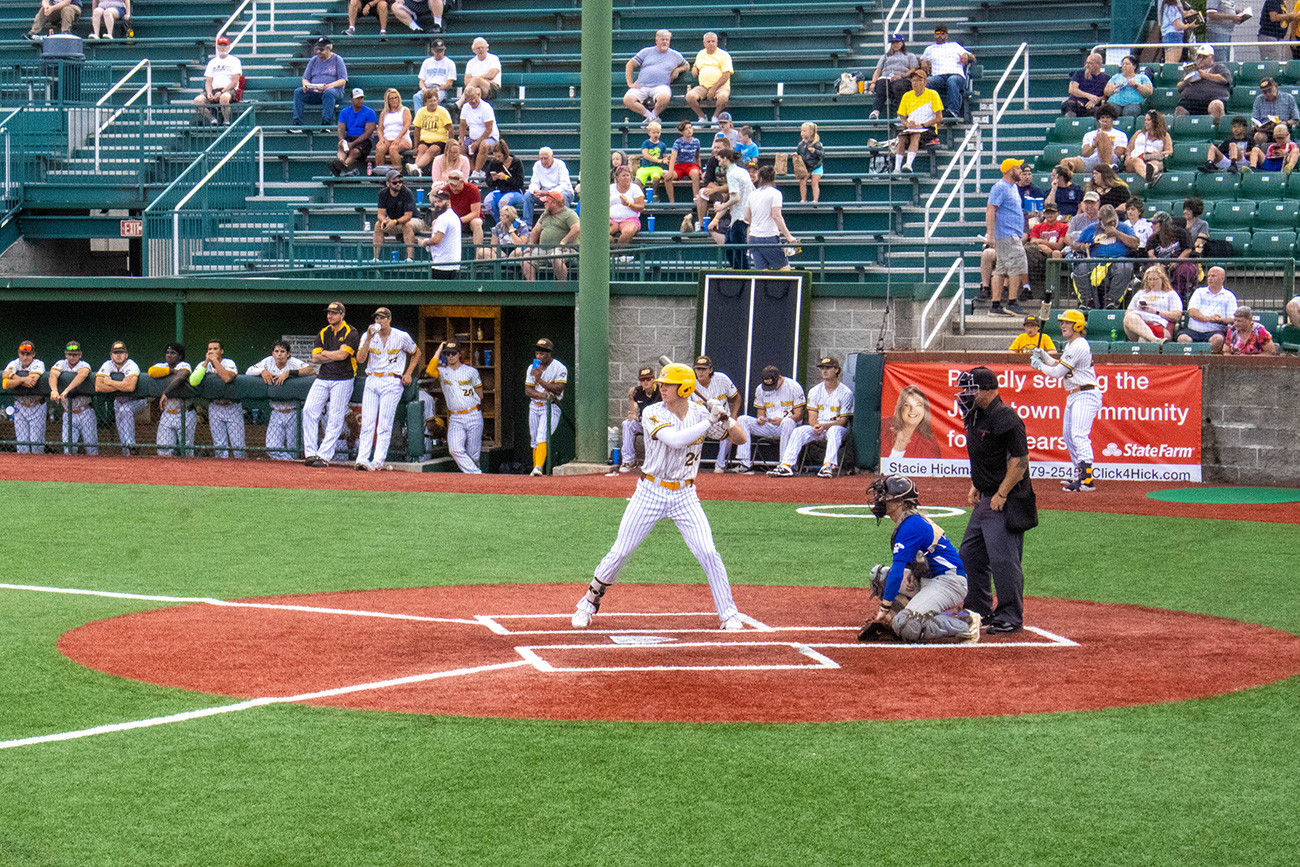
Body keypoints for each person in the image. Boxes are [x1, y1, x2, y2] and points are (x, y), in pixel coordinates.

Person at [571, 363, 748, 630]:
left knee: (709, 552)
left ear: (685, 388)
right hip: (650, 491)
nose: (661, 387)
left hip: (686, 495)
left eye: (668, 384)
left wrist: (725, 416)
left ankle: (729, 613)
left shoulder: (700, 412)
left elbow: (741, 438)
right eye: (662, 384)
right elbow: (675, 440)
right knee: (621, 551)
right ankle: (587, 602)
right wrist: (708, 422)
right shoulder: (652, 411)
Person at [860, 475, 981, 644]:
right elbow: (921, 558)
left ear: (900, 502)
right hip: (929, 578)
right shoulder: (909, 521)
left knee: (905, 625)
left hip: (949, 582)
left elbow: (897, 571)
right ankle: (919, 613)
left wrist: (885, 609)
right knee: (879, 576)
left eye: (885, 496)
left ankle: (964, 622)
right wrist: (914, 573)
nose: (880, 499)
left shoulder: (912, 525)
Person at [954, 366, 1030, 634]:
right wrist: (977, 484)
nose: (965, 394)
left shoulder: (1005, 417)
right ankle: (979, 608)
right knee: (970, 554)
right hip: (985, 496)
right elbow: (985, 455)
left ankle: (1010, 615)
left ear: (988, 390)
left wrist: (1001, 494)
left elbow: (1019, 461)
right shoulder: (975, 416)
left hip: (1004, 498)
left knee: (1004, 560)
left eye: (971, 389)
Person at [1031, 310, 1101, 493]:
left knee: (1079, 435)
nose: (1063, 326)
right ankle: (1079, 473)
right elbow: (1059, 364)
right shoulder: (1071, 345)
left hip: (1086, 392)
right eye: (1062, 322)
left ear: (1077, 325)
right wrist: (1045, 357)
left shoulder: (1079, 345)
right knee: (1068, 436)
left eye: (1068, 322)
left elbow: (1057, 373)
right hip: (1075, 393)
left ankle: (1087, 480)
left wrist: (1040, 366)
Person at [354, 307, 420, 471]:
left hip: (392, 379)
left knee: (384, 422)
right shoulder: (368, 335)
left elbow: (417, 352)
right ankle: (362, 459)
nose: (379, 321)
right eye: (377, 318)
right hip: (372, 378)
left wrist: (408, 373)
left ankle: (378, 461)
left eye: (382, 318)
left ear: (389, 319)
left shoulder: (401, 336)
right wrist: (368, 338)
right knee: (367, 421)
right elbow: (360, 359)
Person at [769, 355, 853, 478]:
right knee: (799, 431)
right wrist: (816, 426)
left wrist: (825, 426)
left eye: (828, 368)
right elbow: (812, 417)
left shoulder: (846, 392)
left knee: (834, 431)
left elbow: (843, 421)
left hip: (837, 428)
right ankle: (786, 465)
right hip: (819, 427)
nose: (824, 371)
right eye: (822, 368)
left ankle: (828, 466)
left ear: (836, 370)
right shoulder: (815, 391)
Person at [302, 301, 361, 468]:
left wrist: (325, 353)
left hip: (343, 378)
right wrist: (332, 354)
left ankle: (324, 456)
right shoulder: (323, 332)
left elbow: (343, 356)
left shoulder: (351, 332)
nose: (330, 316)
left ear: (342, 315)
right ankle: (311, 453)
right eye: (329, 313)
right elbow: (315, 358)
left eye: (334, 313)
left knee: (335, 416)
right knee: (309, 410)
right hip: (323, 377)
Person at [246, 341, 314, 460]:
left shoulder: (293, 362)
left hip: (293, 411)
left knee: (294, 450)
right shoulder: (268, 361)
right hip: (276, 411)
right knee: (272, 447)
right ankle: (292, 465)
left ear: (288, 354)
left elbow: (311, 371)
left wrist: (289, 372)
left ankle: (291, 466)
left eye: (282, 351)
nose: (279, 354)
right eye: (276, 351)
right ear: (272, 353)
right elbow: (248, 371)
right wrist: (262, 371)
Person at [425, 340, 484, 472]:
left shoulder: (471, 371)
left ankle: (474, 479)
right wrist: (440, 349)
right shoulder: (442, 372)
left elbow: (480, 395)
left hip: (472, 413)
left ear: (459, 354)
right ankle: (477, 475)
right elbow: (430, 369)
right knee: (454, 449)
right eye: (447, 353)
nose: (450, 356)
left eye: (453, 353)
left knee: (473, 455)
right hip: (456, 417)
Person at [734, 365, 804, 473]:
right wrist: (761, 419)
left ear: (780, 378)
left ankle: (785, 464)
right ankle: (744, 463)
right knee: (743, 419)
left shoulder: (793, 386)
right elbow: (760, 412)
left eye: (773, 384)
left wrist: (781, 420)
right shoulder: (760, 389)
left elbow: (799, 414)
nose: (771, 388)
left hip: (789, 427)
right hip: (769, 425)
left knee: (787, 422)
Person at [985, 157, 1029, 317]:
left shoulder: (1013, 187)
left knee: (1001, 269)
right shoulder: (1000, 187)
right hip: (1007, 235)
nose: (1021, 171)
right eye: (1018, 168)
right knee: (1018, 266)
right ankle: (1011, 302)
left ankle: (995, 305)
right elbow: (990, 210)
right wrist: (990, 234)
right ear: (1011, 170)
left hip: (1010, 234)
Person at [1073, 203, 1139, 308]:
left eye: (1113, 220)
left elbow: (1135, 243)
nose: (1112, 223)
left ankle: (1112, 300)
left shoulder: (1124, 227)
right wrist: (1082, 246)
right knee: (1081, 268)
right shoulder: (1091, 229)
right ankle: (1087, 301)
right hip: (1095, 259)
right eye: (1108, 222)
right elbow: (1075, 244)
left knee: (1124, 266)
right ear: (1101, 221)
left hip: (1118, 258)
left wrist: (1117, 233)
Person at [189, 340, 243, 459]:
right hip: (214, 406)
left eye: (215, 349)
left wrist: (215, 361)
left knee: (238, 445)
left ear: (221, 351)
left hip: (232, 406)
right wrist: (206, 363)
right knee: (219, 445)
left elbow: (227, 378)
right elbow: (193, 381)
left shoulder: (229, 362)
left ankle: (242, 470)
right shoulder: (203, 364)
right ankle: (223, 472)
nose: (212, 351)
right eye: (209, 349)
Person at [622, 29, 689, 126]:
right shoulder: (646, 51)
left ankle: (652, 117)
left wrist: (678, 70)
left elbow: (686, 65)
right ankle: (652, 117)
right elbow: (630, 64)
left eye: (667, 40)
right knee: (627, 99)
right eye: (662, 39)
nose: (665, 42)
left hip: (661, 86)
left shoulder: (675, 55)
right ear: (656, 40)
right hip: (642, 85)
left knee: (664, 98)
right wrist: (630, 83)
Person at [689, 355, 740, 473]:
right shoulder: (691, 384)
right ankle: (690, 464)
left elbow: (736, 397)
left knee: (730, 428)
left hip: (722, 419)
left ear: (710, 370)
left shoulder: (721, 379)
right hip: (702, 421)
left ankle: (720, 465)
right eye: (698, 369)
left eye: (703, 369)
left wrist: (733, 415)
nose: (700, 372)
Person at [524, 337, 567, 476]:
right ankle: (538, 468)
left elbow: (558, 389)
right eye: (537, 352)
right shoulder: (532, 367)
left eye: (542, 352)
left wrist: (540, 380)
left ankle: (537, 467)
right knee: (534, 438)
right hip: (535, 405)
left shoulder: (559, 367)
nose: (539, 355)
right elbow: (528, 390)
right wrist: (542, 395)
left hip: (551, 407)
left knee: (542, 435)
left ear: (549, 352)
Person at [93, 340, 143, 456]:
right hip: (119, 401)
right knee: (121, 422)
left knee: (125, 410)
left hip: (137, 401)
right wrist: (121, 386)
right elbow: (98, 386)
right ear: (111, 355)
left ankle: (131, 446)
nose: (118, 355)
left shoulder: (131, 365)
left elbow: (130, 387)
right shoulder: (107, 364)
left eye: (121, 352)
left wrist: (110, 382)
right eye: (116, 353)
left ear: (126, 354)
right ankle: (127, 451)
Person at [610, 365, 661, 474]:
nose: (646, 382)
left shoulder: (661, 391)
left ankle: (655, 463)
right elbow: (632, 412)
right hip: (643, 423)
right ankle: (628, 461)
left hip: (658, 426)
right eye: (643, 380)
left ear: (653, 379)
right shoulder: (638, 391)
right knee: (627, 423)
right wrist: (630, 399)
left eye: (649, 379)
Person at [746, 165, 798, 270]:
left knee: (762, 273)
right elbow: (776, 215)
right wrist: (789, 236)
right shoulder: (775, 193)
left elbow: (747, 217)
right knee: (784, 269)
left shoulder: (752, 194)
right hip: (768, 236)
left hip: (753, 237)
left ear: (760, 178)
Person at [48, 341, 96, 455]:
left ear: (80, 355)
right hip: (68, 413)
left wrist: (66, 391)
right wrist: (54, 390)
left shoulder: (84, 365)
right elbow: (53, 374)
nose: (72, 357)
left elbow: (82, 374)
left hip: (85, 412)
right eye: (70, 354)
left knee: (91, 449)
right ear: (66, 355)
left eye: (75, 354)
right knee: (68, 450)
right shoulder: (61, 364)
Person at [151, 343, 197, 457]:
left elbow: (182, 376)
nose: (169, 355)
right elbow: (151, 371)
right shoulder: (163, 366)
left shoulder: (184, 364)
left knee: (187, 451)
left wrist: (166, 393)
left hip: (185, 412)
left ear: (180, 356)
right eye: (167, 353)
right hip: (168, 413)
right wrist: (171, 371)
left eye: (173, 353)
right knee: (163, 450)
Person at [523, 190, 579, 282]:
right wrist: (530, 245)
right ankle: (531, 286)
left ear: (554, 203)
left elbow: (577, 228)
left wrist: (564, 242)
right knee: (526, 258)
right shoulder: (545, 214)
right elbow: (535, 231)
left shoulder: (569, 214)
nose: (544, 204)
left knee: (556, 258)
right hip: (544, 248)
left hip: (564, 249)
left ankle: (562, 287)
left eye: (546, 202)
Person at [291, 37, 347, 130]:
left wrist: (327, 86)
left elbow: (342, 80)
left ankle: (326, 124)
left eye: (321, 49)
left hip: (333, 91)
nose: (318, 52)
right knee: (298, 92)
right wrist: (306, 84)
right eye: (317, 49)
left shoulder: (337, 59)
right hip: (315, 90)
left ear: (328, 49)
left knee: (329, 93)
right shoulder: (314, 60)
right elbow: (305, 78)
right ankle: (297, 124)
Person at [894, 68, 942, 174]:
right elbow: (902, 116)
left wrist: (922, 125)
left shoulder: (933, 94)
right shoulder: (907, 96)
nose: (914, 83)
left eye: (917, 80)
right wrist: (907, 124)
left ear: (924, 82)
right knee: (901, 137)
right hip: (911, 128)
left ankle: (908, 165)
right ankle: (897, 168)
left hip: (928, 129)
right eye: (913, 80)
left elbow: (939, 118)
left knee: (915, 135)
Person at [920, 24, 974, 119]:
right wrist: (922, 62)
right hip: (939, 77)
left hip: (956, 75)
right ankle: (927, 112)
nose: (940, 35)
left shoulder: (954, 46)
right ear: (934, 35)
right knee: (927, 82)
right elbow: (920, 60)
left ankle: (953, 111)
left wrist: (966, 55)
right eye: (937, 33)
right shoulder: (929, 49)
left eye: (942, 33)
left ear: (946, 35)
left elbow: (973, 58)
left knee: (952, 81)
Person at [1178, 266, 1239, 349]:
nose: (1210, 278)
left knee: (1218, 339)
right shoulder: (1199, 292)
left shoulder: (1229, 296)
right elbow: (1192, 312)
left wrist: (1219, 320)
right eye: (1209, 276)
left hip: (1215, 331)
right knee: (1182, 338)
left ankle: (1211, 361)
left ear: (1222, 278)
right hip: (1193, 330)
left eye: (1213, 276)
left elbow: (1232, 319)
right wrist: (1209, 319)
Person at [2, 340, 46, 454]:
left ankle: (38, 468)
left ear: (33, 354)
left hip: (37, 405)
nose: (25, 357)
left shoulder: (38, 363)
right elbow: (5, 382)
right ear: (18, 353)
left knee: (36, 442)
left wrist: (15, 379)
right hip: (20, 406)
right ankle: (23, 470)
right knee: (21, 443)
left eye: (28, 354)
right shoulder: (15, 363)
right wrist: (22, 379)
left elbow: (32, 381)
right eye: (22, 353)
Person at [1059, 104, 1128, 176]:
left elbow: (1119, 153)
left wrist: (1106, 144)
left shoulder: (1120, 134)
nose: (1105, 120)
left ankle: (1106, 172)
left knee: (1102, 135)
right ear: (1099, 119)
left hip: (1111, 159)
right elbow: (1085, 154)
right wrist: (1094, 144)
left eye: (1108, 117)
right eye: (1102, 118)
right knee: (1065, 162)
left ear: (1112, 119)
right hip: (1092, 160)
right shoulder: (1089, 135)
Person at [714, 148, 754, 269]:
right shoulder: (743, 171)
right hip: (742, 215)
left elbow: (735, 197)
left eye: (720, 160)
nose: (719, 163)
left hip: (739, 217)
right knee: (731, 248)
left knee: (738, 253)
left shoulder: (731, 174)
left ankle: (743, 278)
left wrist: (722, 206)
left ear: (726, 159)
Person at [372, 169, 425, 262]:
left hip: (415, 219)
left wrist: (395, 221)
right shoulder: (383, 193)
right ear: (388, 183)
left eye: (400, 182)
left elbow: (408, 216)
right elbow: (380, 214)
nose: (399, 184)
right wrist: (383, 221)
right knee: (378, 225)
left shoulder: (406, 192)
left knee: (407, 225)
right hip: (395, 221)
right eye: (395, 182)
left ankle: (410, 258)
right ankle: (376, 258)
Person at [1124, 265, 1184, 342]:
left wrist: (1155, 312)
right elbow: (1128, 312)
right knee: (1129, 316)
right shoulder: (1141, 293)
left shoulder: (1170, 294)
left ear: (1162, 279)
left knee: (1143, 340)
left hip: (1158, 323)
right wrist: (1139, 309)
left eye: (1155, 279)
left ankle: (1152, 338)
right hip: (1138, 325)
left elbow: (1176, 315)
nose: (1152, 282)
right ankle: (1154, 339)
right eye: (1150, 279)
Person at [1146, 210, 1198, 298]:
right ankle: (1156, 297)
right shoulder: (1153, 238)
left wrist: (1177, 261)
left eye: (1154, 223)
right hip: (1161, 264)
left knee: (1182, 271)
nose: (1152, 226)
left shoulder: (1180, 232)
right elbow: (1150, 254)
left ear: (1163, 224)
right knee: (1152, 271)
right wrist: (1157, 263)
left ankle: (1178, 298)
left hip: (1181, 262)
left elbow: (1187, 250)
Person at [868, 33, 920, 121]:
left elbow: (913, 70)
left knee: (899, 86)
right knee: (881, 84)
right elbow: (878, 70)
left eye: (897, 42)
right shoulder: (885, 56)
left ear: (902, 43)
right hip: (886, 77)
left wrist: (902, 76)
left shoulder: (909, 55)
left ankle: (900, 115)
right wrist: (873, 82)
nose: (895, 44)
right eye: (893, 42)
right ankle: (875, 111)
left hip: (901, 78)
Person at [881, 384, 940, 459]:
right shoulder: (882, 426)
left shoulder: (929, 444)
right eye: (907, 405)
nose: (912, 410)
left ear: (925, 410)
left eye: (918, 405)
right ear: (900, 408)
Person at [1176, 45, 1232, 123]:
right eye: (1199, 57)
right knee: (1179, 110)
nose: (1200, 59)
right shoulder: (1192, 69)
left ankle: (1217, 132)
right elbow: (1179, 86)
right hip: (1191, 100)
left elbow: (1224, 79)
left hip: (1213, 98)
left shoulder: (1219, 67)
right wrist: (1187, 81)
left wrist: (1204, 75)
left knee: (1216, 105)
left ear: (1212, 58)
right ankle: (1181, 133)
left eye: (1204, 57)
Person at [686, 31, 733, 124]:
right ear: (704, 43)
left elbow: (726, 75)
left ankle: (715, 117)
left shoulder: (724, 55)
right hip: (703, 86)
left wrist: (713, 89)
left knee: (723, 97)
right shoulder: (700, 54)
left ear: (716, 42)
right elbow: (696, 66)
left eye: (713, 41)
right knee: (690, 96)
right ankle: (702, 117)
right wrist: (694, 67)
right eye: (708, 41)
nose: (711, 43)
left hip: (720, 86)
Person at [193, 36, 242, 126]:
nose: (222, 47)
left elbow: (235, 82)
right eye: (220, 45)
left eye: (225, 45)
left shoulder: (235, 61)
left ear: (228, 46)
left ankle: (226, 121)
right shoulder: (212, 62)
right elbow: (208, 81)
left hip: (228, 90)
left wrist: (222, 92)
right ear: (217, 47)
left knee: (224, 98)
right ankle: (213, 119)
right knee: (198, 100)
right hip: (214, 89)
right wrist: (209, 93)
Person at [1024, 201, 1069, 296]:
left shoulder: (1063, 227)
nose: (1050, 215)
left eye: (1052, 212)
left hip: (1053, 253)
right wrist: (1042, 245)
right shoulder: (1038, 227)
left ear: (1058, 213)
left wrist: (1042, 241)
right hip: (1038, 253)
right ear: (1044, 214)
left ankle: (1051, 288)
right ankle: (1027, 288)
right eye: (1047, 213)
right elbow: (1032, 242)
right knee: (1027, 250)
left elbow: (1059, 245)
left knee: (1056, 252)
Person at [330, 88, 377, 177]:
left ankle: (340, 168)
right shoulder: (345, 112)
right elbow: (341, 128)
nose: (361, 100)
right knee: (342, 148)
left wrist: (352, 144)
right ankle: (341, 164)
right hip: (350, 137)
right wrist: (342, 140)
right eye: (358, 98)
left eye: (361, 98)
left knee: (355, 151)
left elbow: (368, 133)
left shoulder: (370, 112)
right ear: (352, 99)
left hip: (364, 140)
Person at [406, 89, 453, 176]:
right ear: (425, 102)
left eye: (435, 100)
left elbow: (450, 129)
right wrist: (415, 146)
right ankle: (417, 170)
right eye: (430, 101)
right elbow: (417, 130)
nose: (433, 103)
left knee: (431, 150)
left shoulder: (442, 111)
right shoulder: (421, 112)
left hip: (440, 140)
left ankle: (415, 167)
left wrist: (450, 145)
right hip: (425, 139)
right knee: (421, 149)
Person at [523, 147, 574, 226]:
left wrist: (550, 193)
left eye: (546, 158)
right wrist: (535, 190)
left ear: (552, 156)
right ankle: (527, 225)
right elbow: (534, 182)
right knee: (528, 195)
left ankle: (562, 223)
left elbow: (564, 185)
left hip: (560, 192)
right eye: (541, 158)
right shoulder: (537, 165)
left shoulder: (560, 164)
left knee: (563, 195)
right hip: (544, 194)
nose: (543, 161)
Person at [458, 85, 499, 177]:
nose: (473, 101)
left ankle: (477, 171)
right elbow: (462, 124)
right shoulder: (465, 107)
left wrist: (477, 143)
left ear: (478, 96)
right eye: (470, 99)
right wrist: (461, 139)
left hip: (489, 137)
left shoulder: (486, 107)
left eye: (474, 98)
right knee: (459, 148)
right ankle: (474, 172)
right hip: (472, 138)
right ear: (466, 99)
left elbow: (489, 129)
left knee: (484, 145)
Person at [481, 140, 525, 224]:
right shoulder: (494, 163)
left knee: (503, 202)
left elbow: (519, 182)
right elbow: (488, 181)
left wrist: (506, 177)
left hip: (515, 191)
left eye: (499, 156)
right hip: (500, 191)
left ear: (505, 153)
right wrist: (493, 179)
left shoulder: (516, 163)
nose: (497, 159)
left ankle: (512, 224)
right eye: (495, 156)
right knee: (488, 201)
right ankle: (501, 223)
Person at [422, 187, 461, 278]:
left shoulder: (443, 218)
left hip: (442, 265)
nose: (437, 204)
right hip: (452, 264)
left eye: (440, 201)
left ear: (448, 202)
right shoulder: (453, 216)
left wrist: (424, 242)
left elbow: (436, 240)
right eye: (435, 202)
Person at [1125, 109, 1173, 183]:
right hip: (1136, 158)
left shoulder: (1164, 135)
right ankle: (1150, 178)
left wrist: (1155, 154)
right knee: (1137, 161)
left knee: (1155, 164)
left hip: (1152, 158)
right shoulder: (1138, 134)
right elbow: (1129, 149)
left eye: (1148, 120)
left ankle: (1151, 173)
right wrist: (1127, 157)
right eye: (1145, 120)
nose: (1146, 122)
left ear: (1155, 121)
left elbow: (1169, 151)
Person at [412, 37, 455, 115]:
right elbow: (421, 81)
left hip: (440, 89)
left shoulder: (449, 63)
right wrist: (424, 89)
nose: (439, 53)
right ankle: (419, 121)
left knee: (434, 99)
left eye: (441, 50)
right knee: (417, 96)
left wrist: (437, 89)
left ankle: (433, 119)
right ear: (432, 50)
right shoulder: (427, 62)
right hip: (427, 88)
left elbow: (449, 84)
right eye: (437, 51)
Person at [1250, 77, 1299, 148]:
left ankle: (1284, 156)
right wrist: (1258, 126)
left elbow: (1296, 120)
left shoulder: (1288, 98)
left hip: (1282, 129)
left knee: (1282, 132)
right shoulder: (1259, 100)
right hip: (1266, 131)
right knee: (1258, 136)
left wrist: (1284, 123)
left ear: (1275, 86)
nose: (1268, 94)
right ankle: (1262, 157)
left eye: (1270, 90)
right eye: (1265, 92)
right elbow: (1255, 119)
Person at [374, 88, 412, 173]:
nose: (395, 100)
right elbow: (380, 128)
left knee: (393, 149)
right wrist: (381, 139)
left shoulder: (404, 110)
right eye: (392, 98)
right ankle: (380, 173)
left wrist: (398, 138)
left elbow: (406, 126)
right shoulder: (384, 113)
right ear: (388, 100)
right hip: (387, 138)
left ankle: (398, 173)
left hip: (402, 139)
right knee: (380, 148)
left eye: (396, 98)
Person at [665, 119, 703, 204]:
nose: (689, 130)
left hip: (691, 165)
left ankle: (696, 198)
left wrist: (699, 168)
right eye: (686, 129)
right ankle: (672, 201)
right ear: (682, 132)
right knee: (667, 178)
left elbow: (697, 156)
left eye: (690, 128)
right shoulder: (678, 142)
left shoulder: (696, 141)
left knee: (695, 174)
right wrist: (670, 171)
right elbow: (673, 156)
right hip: (679, 166)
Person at [444, 170, 485, 249]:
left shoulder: (473, 190)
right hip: (453, 219)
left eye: (455, 185)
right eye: (451, 185)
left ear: (462, 182)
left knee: (476, 222)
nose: (453, 188)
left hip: (469, 220)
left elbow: (475, 213)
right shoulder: (445, 190)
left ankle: (478, 253)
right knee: (435, 222)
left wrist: (459, 220)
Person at [1061, 53, 1109, 118]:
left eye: (1090, 63)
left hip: (1092, 106)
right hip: (1076, 103)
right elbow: (1072, 90)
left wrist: (1097, 99)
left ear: (1099, 65)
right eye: (1086, 63)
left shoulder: (1106, 79)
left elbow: (1107, 95)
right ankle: (1070, 125)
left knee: (1100, 112)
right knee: (1069, 106)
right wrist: (1088, 96)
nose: (1087, 65)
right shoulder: (1079, 73)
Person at [609, 166, 645, 250]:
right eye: (623, 176)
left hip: (630, 219)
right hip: (612, 219)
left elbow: (641, 207)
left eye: (628, 175)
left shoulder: (635, 188)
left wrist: (628, 204)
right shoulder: (611, 188)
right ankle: (612, 250)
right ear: (617, 178)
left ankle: (620, 254)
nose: (626, 178)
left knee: (628, 232)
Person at [464, 37, 502, 103]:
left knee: (477, 80)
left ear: (487, 48)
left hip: (492, 88)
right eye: (478, 48)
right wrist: (483, 79)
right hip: (475, 88)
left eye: (482, 47)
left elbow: (491, 75)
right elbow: (466, 81)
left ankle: (459, 103)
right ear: (474, 50)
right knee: (477, 90)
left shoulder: (494, 59)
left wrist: (477, 78)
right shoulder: (470, 62)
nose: (481, 50)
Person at [637, 121, 669, 193]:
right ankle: (640, 195)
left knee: (656, 179)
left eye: (658, 132)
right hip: (645, 167)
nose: (656, 134)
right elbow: (645, 155)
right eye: (653, 133)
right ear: (649, 133)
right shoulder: (646, 143)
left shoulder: (662, 145)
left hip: (656, 168)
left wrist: (665, 160)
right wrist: (657, 160)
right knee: (638, 181)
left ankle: (655, 194)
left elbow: (665, 156)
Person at [796, 122, 824, 204]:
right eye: (801, 131)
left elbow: (822, 154)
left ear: (811, 132)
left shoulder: (816, 144)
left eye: (804, 131)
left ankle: (815, 200)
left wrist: (815, 151)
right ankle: (803, 199)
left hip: (816, 166)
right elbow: (799, 153)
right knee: (802, 181)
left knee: (814, 182)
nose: (802, 133)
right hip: (806, 167)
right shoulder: (801, 144)